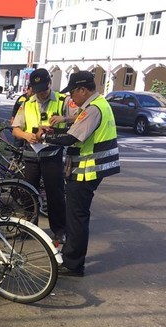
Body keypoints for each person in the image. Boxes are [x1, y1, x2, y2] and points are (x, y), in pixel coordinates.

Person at [37, 71, 120, 277]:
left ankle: (73, 264)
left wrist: (45, 138)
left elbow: (71, 138)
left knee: (76, 217)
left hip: (86, 170)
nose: (71, 98)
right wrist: (57, 128)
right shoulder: (99, 104)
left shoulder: (93, 109)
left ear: (83, 90)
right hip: (93, 168)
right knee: (78, 215)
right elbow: (76, 128)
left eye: (73, 92)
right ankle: (72, 258)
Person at [12, 68, 76, 246]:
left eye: (44, 89)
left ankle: (59, 231)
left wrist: (64, 119)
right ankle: (28, 227)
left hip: (52, 154)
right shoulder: (27, 103)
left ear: (50, 83)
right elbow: (16, 128)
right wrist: (26, 135)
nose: (41, 93)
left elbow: (81, 117)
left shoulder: (64, 101)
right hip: (31, 154)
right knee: (28, 193)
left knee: (54, 193)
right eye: (37, 89)